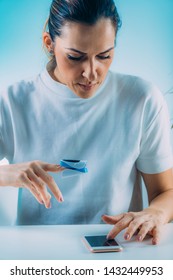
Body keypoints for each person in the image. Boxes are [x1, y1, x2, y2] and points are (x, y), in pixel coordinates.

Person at [0, 0, 173, 245]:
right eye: (75, 57)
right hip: (36, 251)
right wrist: (5, 174)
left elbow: (166, 192)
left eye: (104, 55)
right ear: (49, 44)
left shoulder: (141, 99)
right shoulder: (12, 101)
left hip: (117, 249)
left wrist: (156, 212)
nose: (91, 72)